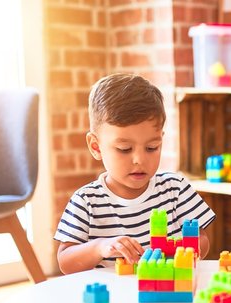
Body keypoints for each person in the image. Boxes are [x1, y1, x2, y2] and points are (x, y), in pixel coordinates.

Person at [55, 73, 215, 274]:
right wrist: (100, 247)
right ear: (96, 147)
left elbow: (203, 238)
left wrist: (186, 251)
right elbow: (66, 262)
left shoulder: (176, 189)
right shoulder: (87, 201)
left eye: (151, 147)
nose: (139, 159)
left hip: (168, 291)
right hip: (113, 299)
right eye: (124, 149)